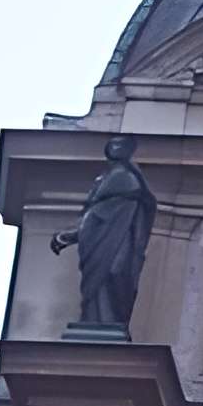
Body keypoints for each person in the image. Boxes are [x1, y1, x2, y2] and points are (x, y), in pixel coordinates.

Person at [51, 138, 155, 332]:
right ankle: (96, 321)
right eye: (113, 144)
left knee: (116, 271)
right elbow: (90, 213)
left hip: (121, 234)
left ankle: (112, 320)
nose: (116, 148)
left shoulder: (132, 179)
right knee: (97, 282)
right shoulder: (102, 181)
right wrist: (73, 235)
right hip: (96, 237)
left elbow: (144, 209)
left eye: (121, 145)